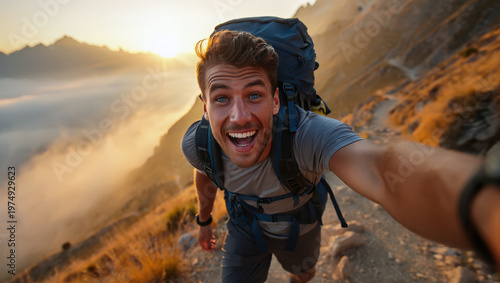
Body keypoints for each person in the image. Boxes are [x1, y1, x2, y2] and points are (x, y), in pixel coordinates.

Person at [181, 30, 500, 282]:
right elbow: (205, 172)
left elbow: (380, 169)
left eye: (254, 95)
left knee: (304, 273)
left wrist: (483, 203)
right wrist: (205, 221)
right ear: (205, 109)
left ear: (275, 101)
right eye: (221, 98)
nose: (239, 116)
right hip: (243, 227)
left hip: (299, 228)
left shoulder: (307, 135)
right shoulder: (198, 144)